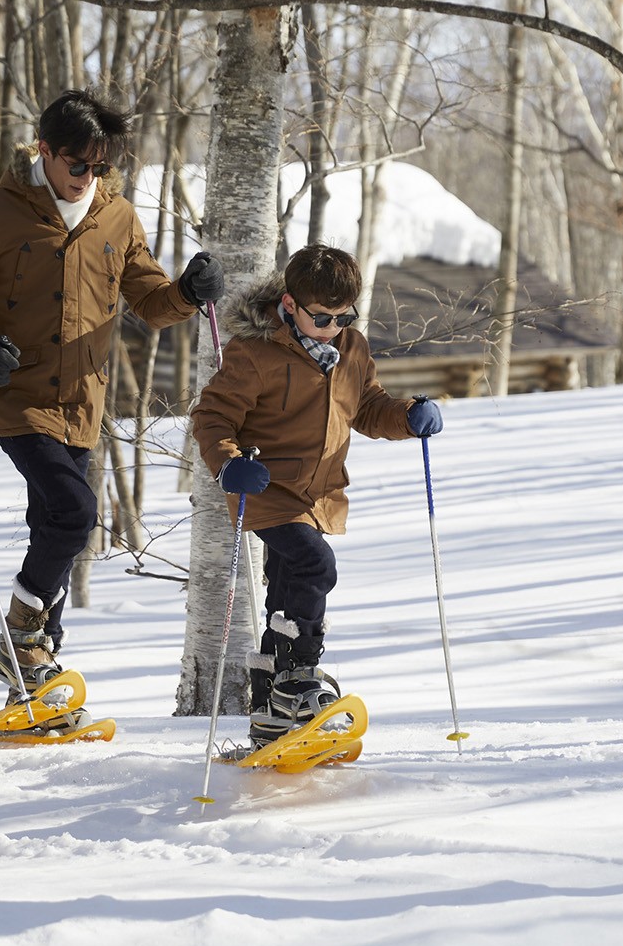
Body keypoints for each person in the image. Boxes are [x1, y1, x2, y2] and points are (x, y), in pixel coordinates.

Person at [0, 90, 224, 712]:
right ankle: (21, 641)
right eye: (79, 164)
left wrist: (189, 293)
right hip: (14, 393)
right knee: (76, 513)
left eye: (102, 165)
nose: (91, 176)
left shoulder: (117, 217)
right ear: (45, 152)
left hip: (83, 400)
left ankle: (36, 676)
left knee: (50, 525)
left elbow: (151, 302)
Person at [190, 244, 443, 749]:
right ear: (289, 305)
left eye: (344, 315)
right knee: (315, 567)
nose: (334, 327)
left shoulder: (352, 349)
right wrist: (229, 463)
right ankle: (297, 678)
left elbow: (367, 407)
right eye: (321, 317)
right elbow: (212, 417)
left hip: (319, 494)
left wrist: (408, 416)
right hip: (263, 488)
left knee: (287, 591)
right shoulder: (254, 353)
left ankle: (268, 707)